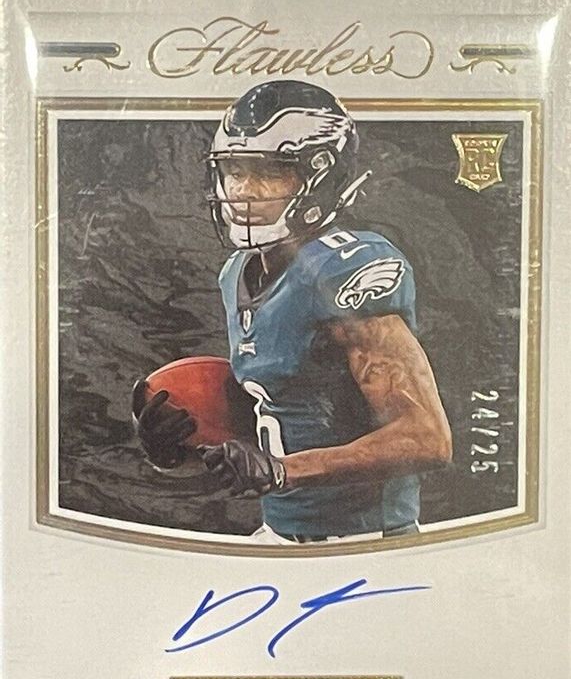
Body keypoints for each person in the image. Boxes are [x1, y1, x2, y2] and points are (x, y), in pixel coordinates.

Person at [132, 80, 452, 545]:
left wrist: (282, 472)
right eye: (234, 170)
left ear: (320, 177)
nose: (243, 190)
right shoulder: (237, 272)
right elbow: (286, 416)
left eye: (270, 172)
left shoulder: (343, 270)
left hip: (362, 539)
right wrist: (177, 443)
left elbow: (426, 437)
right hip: (280, 530)